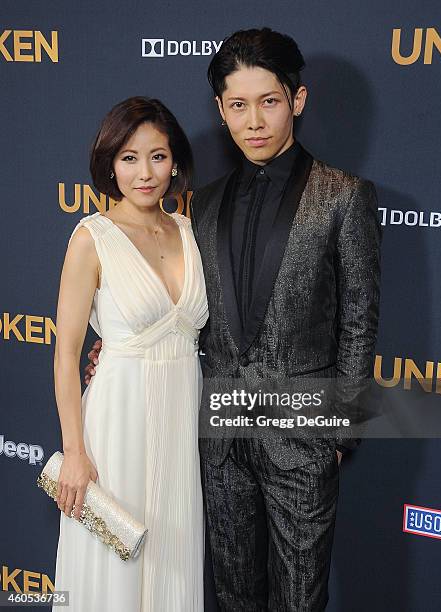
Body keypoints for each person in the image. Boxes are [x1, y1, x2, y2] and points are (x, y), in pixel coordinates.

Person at [87, 28, 381, 611]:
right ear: (221, 111)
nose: (254, 121)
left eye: (268, 102)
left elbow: (359, 317)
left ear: (297, 100)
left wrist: (335, 435)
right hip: (217, 440)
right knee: (232, 596)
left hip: (301, 439)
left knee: (300, 598)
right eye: (238, 105)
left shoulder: (344, 195)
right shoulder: (203, 203)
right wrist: (110, 349)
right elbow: (180, 306)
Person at [53, 96, 207, 612]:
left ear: (175, 161)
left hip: (182, 424)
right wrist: (75, 451)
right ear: (109, 164)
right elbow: (67, 353)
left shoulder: (189, 232)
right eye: (129, 157)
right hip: (117, 427)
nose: (145, 173)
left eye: (158, 156)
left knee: (171, 560)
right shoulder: (91, 239)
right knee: (115, 572)